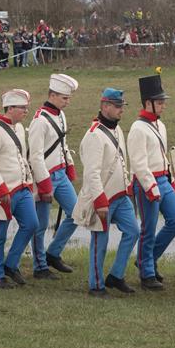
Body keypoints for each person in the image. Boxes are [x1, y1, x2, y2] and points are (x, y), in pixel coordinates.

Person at [72, 88, 140, 298]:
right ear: (105, 107)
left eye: (122, 106)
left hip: (120, 195)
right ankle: (96, 285)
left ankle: (116, 275)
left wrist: (127, 186)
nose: (121, 110)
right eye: (117, 106)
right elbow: (91, 173)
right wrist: (100, 201)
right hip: (103, 198)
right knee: (99, 242)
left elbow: (122, 161)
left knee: (133, 231)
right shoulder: (94, 135)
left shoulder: (117, 130)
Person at [127, 74, 175, 289]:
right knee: (148, 228)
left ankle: (147, 260)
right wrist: (150, 186)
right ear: (148, 103)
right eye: (159, 102)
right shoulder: (137, 128)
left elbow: (162, 155)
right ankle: (147, 272)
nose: (163, 106)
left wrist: (170, 179)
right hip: (146, 183)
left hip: (163, 179)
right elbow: (139, 163)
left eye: (163, 102)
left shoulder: (160, 126)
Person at [0, 89, 37, 288]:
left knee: (31, 224)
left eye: (26, 108)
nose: (25, 112)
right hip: (2, 191)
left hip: (22, 187)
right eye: (22, 108)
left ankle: (11, 264)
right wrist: (1, 188)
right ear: (10, 108)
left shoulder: (19, 128)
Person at [30, 74, 80, 278]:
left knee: (76, 213)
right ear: (52, 94)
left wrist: (70, 165)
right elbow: (35, 156)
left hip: (60, 173)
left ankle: (53, 253)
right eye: (64, 98)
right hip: (46, 177)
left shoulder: (60, 115)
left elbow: (62, 143)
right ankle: (39, 266)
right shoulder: (39, 121)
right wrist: (43, 184)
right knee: (40, 225)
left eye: (68, 98)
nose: (67, 102)